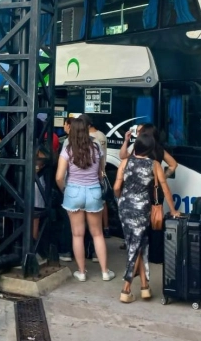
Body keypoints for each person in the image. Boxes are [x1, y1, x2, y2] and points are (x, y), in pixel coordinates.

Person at [114, 134, 179, 303]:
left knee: (137, 244)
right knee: (136, 246)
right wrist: (173, 210)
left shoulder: (125, 162)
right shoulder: (154, 164)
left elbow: (116, 187)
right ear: (150, 149)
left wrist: (122, 199)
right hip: (142, 208)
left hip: (124, 206)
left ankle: (144, 287)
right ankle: (125, 289)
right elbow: (165, 189)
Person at [55, 118, 115, 282]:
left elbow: (59, 177)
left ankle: (81, 272)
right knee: (97, 234)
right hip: (94, 191)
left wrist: (66, 190)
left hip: (73, 192)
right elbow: (101, 173)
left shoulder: (68, 149)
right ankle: (105, 272)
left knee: (77, 235)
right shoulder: (96, 148)